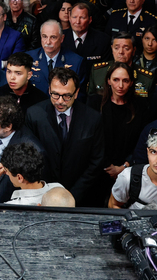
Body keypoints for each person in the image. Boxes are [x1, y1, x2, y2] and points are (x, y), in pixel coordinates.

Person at [25, 67, 104, 207]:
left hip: (81, 197)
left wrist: (73, 194)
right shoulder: (34, 114)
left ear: (77, 93)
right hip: (42, 195)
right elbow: (30, 157)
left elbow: (96, 162)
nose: (60, 101)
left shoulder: (92, 118)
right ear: (49, 89)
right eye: (55, 94)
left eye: (67, 96)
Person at [88, 62, 151, 194]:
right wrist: (108, 166)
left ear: (132, 82)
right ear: (108, 81)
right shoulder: (95, 103)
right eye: (116, 80)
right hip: (99, 170)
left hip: (130, 170)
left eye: (125, 81)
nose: (120, 85)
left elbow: (143, 141)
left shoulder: (141, 106)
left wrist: (124, 167)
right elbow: (91, 140)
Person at [0, 142, 64, 205]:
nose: (6, 174)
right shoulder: (59, 189)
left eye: (7, 171)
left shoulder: (13, 207)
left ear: (19, 177)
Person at [26, 20, 86, 94]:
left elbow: (79, 95)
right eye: (44, 37)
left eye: (53, 37)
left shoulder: (76, 62)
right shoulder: (28, 58)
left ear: (62, 38)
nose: (48, 42)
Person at [87, 33, 155, 98]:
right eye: (116, 48)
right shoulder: (98, 72)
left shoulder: (146, 78)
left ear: (134, 50)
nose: (121, 52)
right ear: (112, 49)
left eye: (126, 48)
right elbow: (90, 102)